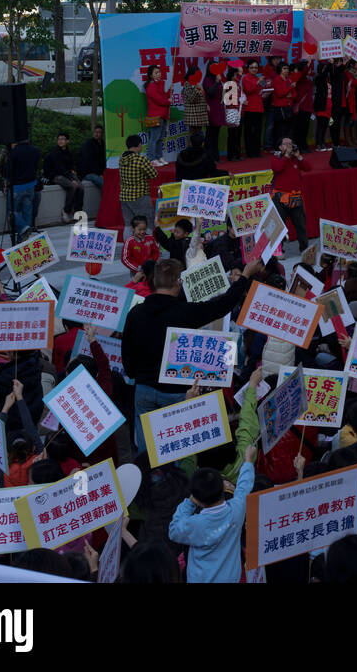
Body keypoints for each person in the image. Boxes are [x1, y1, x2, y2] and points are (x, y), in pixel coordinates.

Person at [122, 257, 262, 452]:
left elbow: (127, 357)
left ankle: (150, 480)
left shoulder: (135, 313)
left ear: (154, 281)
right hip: (177, 393)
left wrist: (139, 376)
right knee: (178, 452)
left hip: (144, 390)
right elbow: (222, 305)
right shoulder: (184, 312)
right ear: (178, 283)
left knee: (148, 455)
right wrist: (245, 275)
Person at [168, 447, 257, 583]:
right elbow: (244, 486)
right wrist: (248, 461)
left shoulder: (193, 524)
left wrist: (189, 503)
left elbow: (173, 531)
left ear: (198, 499)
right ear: (223, 487)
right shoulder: (236, 511)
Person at [270, 136, 310, 251]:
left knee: (300, 225)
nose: (289, 146)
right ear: (280, 147)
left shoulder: (295, 159)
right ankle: (278, 250)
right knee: (279, 226)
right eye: (286, 144)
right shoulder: (276, 158)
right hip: (280, 198)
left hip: (295, 197)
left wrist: (299, 156)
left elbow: (308, 168)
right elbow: (277, 168)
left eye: (291, 144)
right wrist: (286, 156)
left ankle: (304, 249)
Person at [42, 131, 84, 223]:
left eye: (62, 139)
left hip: (66, 174)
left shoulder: (68, 152)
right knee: (72, 186)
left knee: (81, 187)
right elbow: (59, 168)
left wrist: (73, 170)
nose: (60, 141)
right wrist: (71, 179)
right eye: (59, 139)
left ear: (67, 141)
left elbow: (71, 164)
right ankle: (66, 211)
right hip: (55, 175)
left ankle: (77, 212)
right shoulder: (55, 153)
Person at [118, 134, 158, 228]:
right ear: (139, 145)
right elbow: (154, 175)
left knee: (129, 225)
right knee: (147, 223)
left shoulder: (121, 158)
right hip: (140, 196)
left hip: (124, 197)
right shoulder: (141, 159)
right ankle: (147, 243)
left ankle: (129, 242)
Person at [4, 137, 40, 240]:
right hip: (31, 185)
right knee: (27, 211)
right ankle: (23, 239)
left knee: (12, 211)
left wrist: (6, 183)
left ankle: (24, 228)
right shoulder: (35, 150)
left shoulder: (13, 153)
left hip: (17, 187)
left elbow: (7, 171)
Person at [143, 64, 173, 164]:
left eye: (159, 72)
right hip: (155, 116)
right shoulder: (151, 87)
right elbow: (160, 100)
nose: (159, 74)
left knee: (160, 138)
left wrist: (170, 91)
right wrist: (168, 101)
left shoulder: (158, 85)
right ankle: (152, 159)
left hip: (162, 116)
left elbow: (164, 97)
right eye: (156, 72)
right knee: (154, 138)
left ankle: (159, 156)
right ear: (151, 75)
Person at [242, 60, 265, 159]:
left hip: (259, 108)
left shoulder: (256, 78)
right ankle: (249, 151)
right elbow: (248, 90)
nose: (254, 69)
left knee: (258, 131)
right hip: (250, 108)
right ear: (248, 68)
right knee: (249, 131)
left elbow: (259, 92)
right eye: (252, 67)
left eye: (256, 67)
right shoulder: (246, 78)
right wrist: (257, 82)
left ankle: (256, 151)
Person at [202, 65, 226, 159]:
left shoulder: (218, 79)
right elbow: (210, 93)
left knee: (216, 134)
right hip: (211, 109)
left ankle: (216, 156)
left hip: (219, 108)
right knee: (210, 134)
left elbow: (221, 91)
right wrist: (216, 82)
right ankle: (208, 156)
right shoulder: (207, 80)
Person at [222, 66, 243, 162]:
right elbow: (228, 99)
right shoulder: (229, 84)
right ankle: (231, 155)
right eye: (235, 74)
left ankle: (237, 154)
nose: (236, 76)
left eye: (237, 74)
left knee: (237, 133)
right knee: (232, 134)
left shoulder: (237, 84)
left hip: (237, 109)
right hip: (231, 109)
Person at [77, 124, 106, 190]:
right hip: (87, 173)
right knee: (103, 183)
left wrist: (103, 173)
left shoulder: (103, 144)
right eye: (95, 132)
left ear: (102, 134)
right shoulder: (89, 144)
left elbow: (103, 160)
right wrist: (99, 174)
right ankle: (110, 198)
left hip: (99, 172)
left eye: (99, 132)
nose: (96, 134)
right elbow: (89, 161)